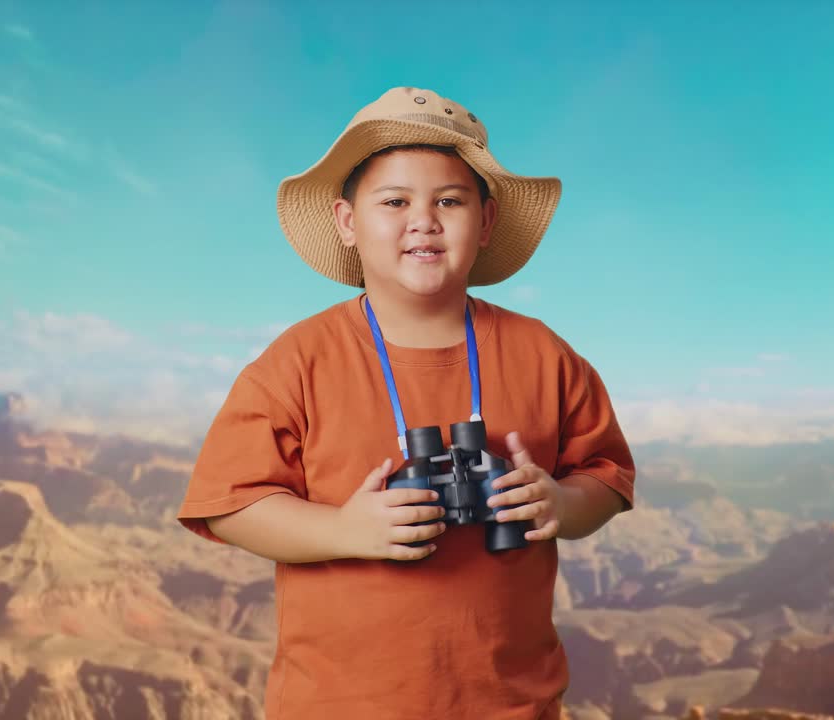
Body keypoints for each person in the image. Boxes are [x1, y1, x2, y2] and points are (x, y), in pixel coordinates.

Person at [176, 86, 636, 720]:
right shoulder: (298, 362)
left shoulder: (545, 355)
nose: (424, 219)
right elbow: (229, 505)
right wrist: (342, 530)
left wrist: (560, 502)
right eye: (394, 201)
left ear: (488, 221)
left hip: (510, 703)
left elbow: (607, 479)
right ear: (347, 223)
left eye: (450, 200)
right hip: (337, 705)